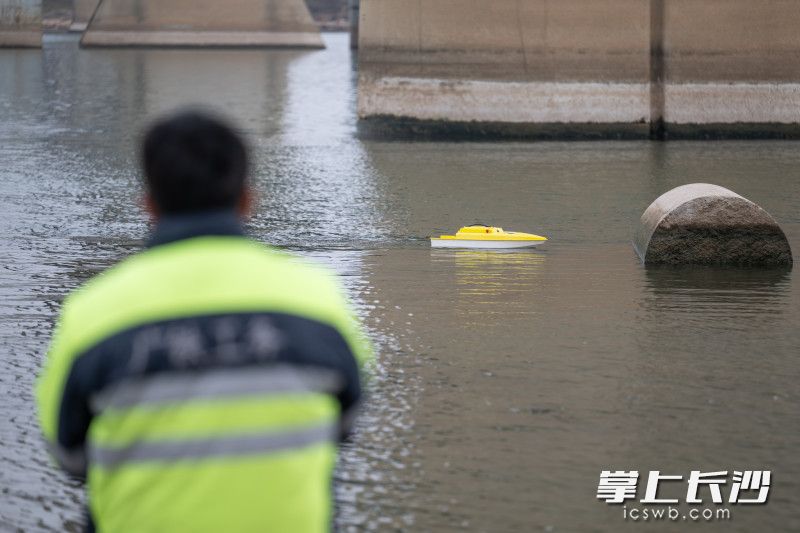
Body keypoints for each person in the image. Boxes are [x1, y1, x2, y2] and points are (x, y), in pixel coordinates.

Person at [35, 110, 371, 532]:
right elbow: (344, 425)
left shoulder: (91, 313)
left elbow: (69, 456)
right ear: (249, 199)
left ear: (149, 205)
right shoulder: (320, 300)